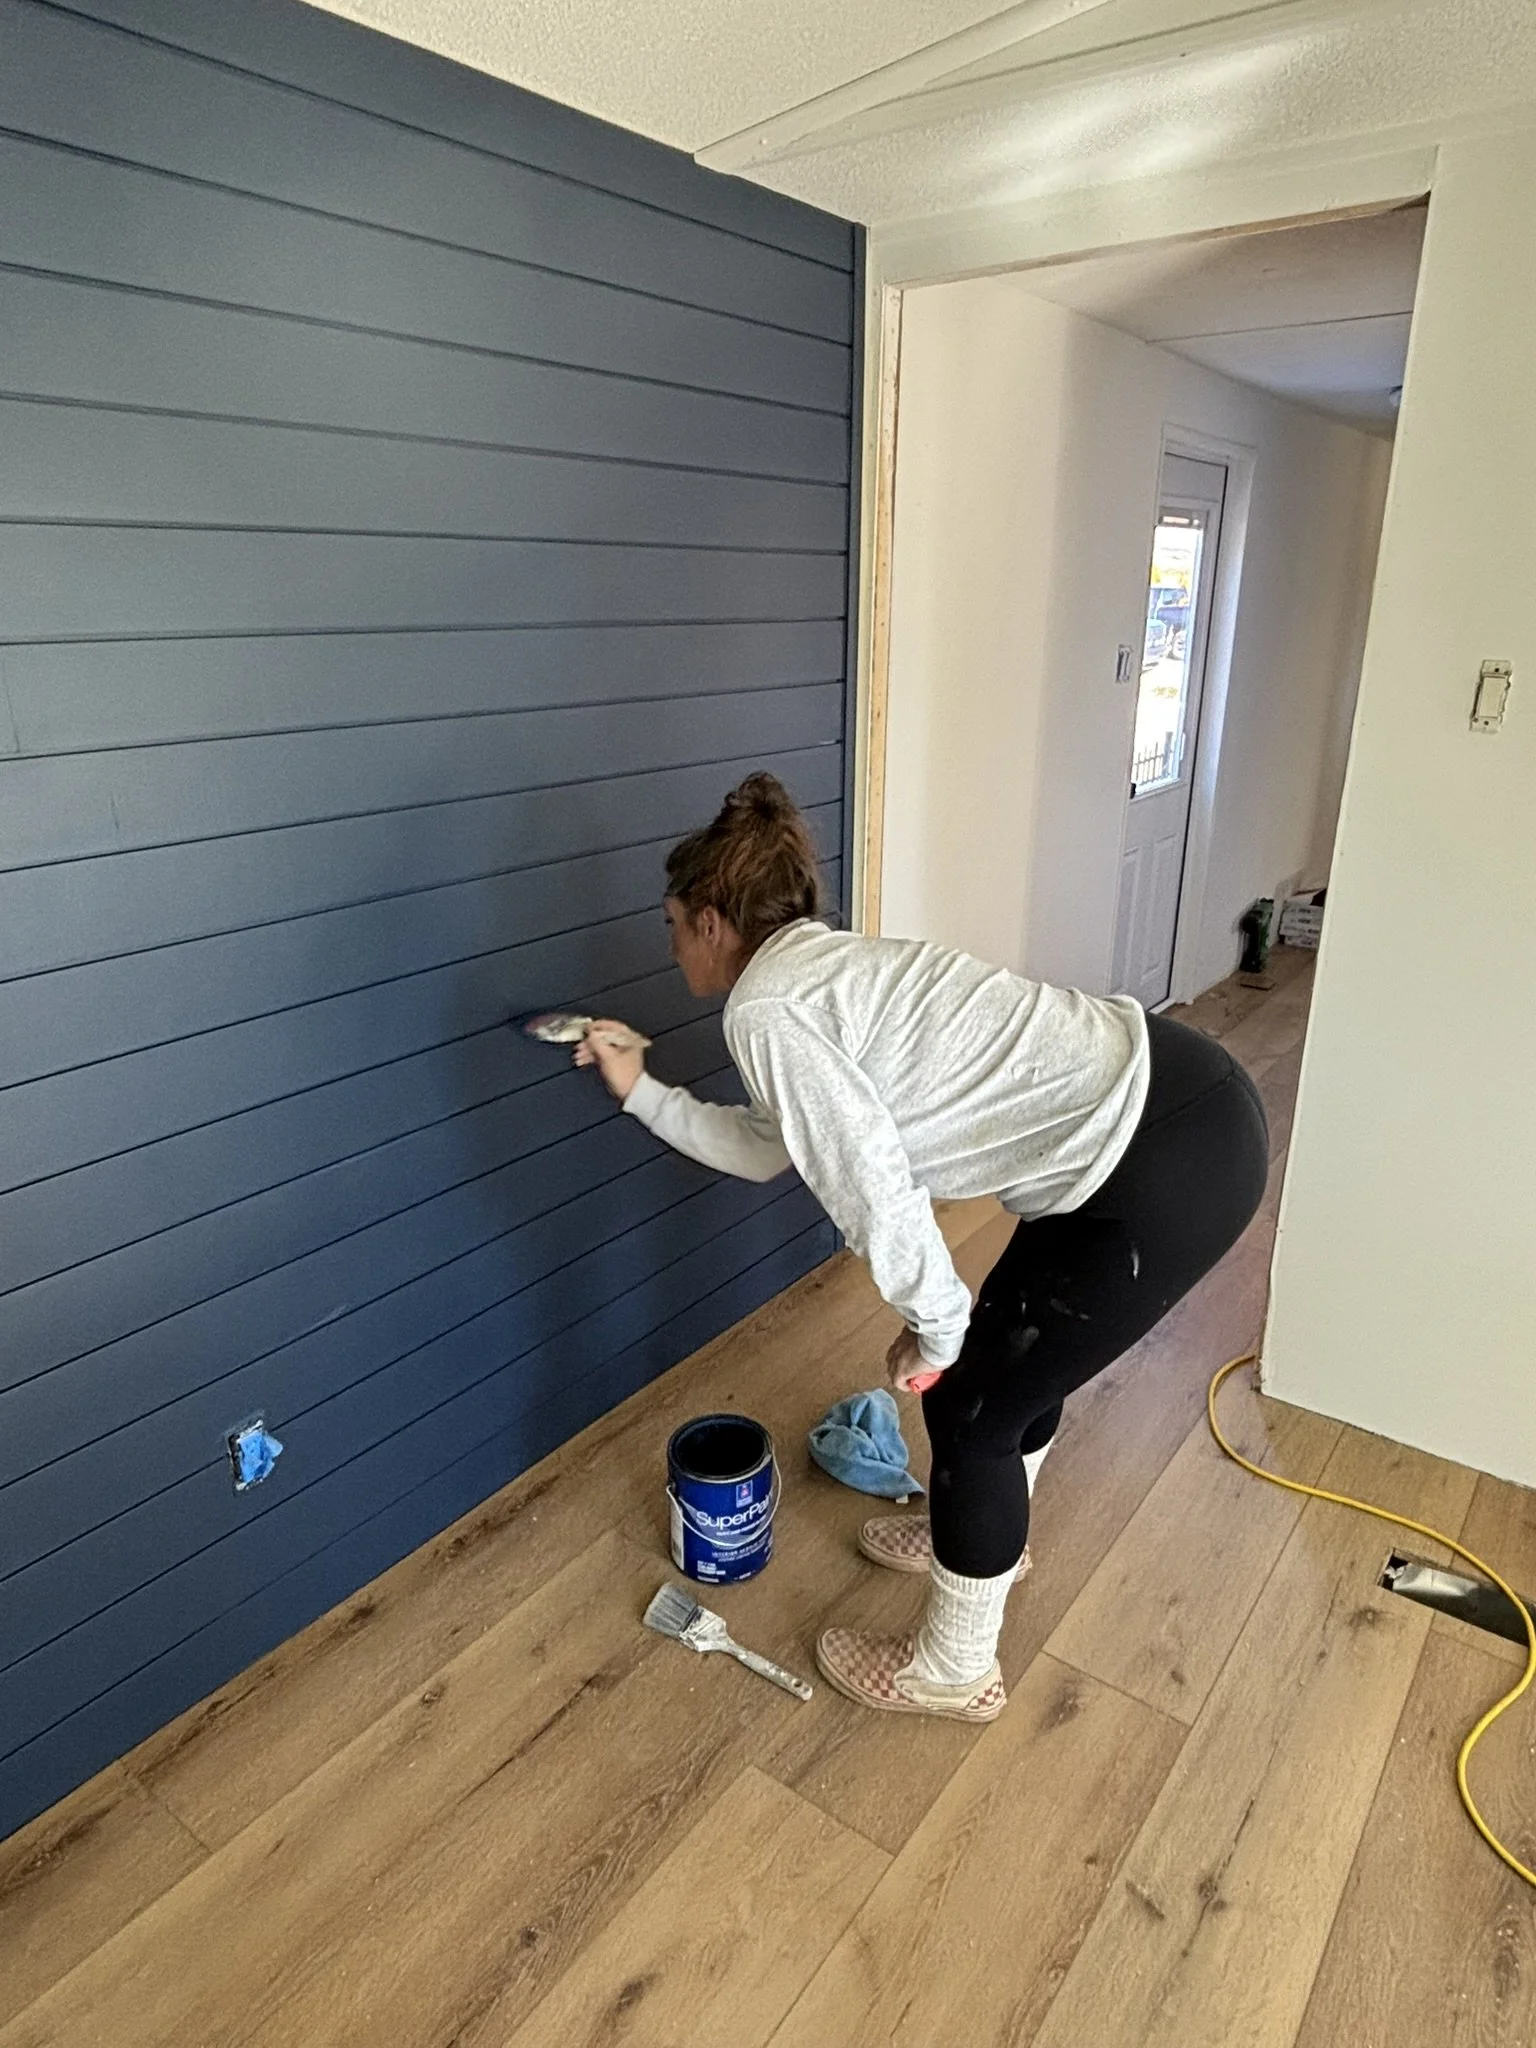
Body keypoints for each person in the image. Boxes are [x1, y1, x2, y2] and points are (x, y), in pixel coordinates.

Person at [575, 773, 1268, 1723]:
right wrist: (641, 1091)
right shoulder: (809, 976)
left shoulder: (765, 1010)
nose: (669, 948)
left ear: (709, 921)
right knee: (1010, 1371)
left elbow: (869, 1182)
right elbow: (774, 1147)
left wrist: (934, 1327)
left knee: (972, 1408)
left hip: (1162, 1159)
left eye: (671, 926)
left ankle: (953, 1671)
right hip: (1171, 1104)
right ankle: (981, 1541)